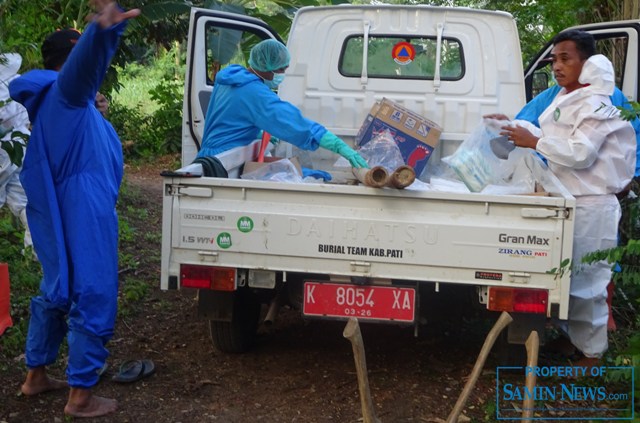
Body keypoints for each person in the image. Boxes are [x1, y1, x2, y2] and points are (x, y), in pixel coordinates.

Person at [9, 0, 140, 418]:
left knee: (57, 287)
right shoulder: (66, 92)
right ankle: (81, 394)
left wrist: (97, 112)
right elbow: (80, 74)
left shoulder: (61, 103)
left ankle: (36, 376)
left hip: (62, 203)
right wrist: (102, 34)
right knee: (93, 288)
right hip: (84, 206)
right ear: (72, 60)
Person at [487, 30, 636, 368]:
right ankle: (574, 341)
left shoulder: (598, 103)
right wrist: (513, 127)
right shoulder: (566, 98)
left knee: (589, 281)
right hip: (568, 200)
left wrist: (533, 142)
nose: (556, 65)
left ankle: (593, 355)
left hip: (592, 202)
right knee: (565, 279)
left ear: (587, 64)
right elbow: (552, 136)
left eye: (565, 58)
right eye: (554, 58)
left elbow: (580, 152)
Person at [196, 39, 368, 171]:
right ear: (265, 67)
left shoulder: (231, 78)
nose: (282, 75)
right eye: (280, 70)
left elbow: (231, 117)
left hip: (208, 157)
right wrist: (340, 146)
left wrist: (259, 132)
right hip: (222, 165)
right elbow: (294, 123)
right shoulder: (255, 93)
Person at [0, 53, 33, 251]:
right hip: (21, 144)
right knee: (23, 200)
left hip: (4, 147)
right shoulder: (17, 80)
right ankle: (34, 251)